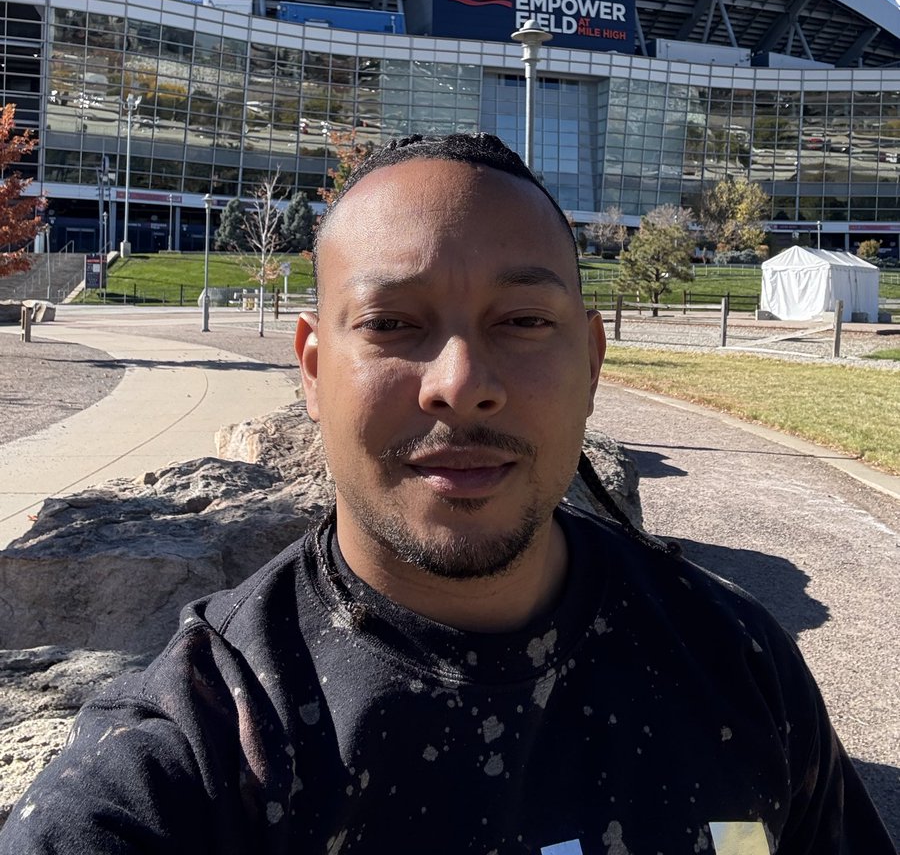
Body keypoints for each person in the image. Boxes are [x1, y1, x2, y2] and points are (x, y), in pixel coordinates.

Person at [0, 132, 892, 854]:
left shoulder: (737, 664)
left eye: (523, 322)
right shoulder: (193, 756)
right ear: (312, 370)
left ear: (591, 359)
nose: (461, 385)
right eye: (392, 324)